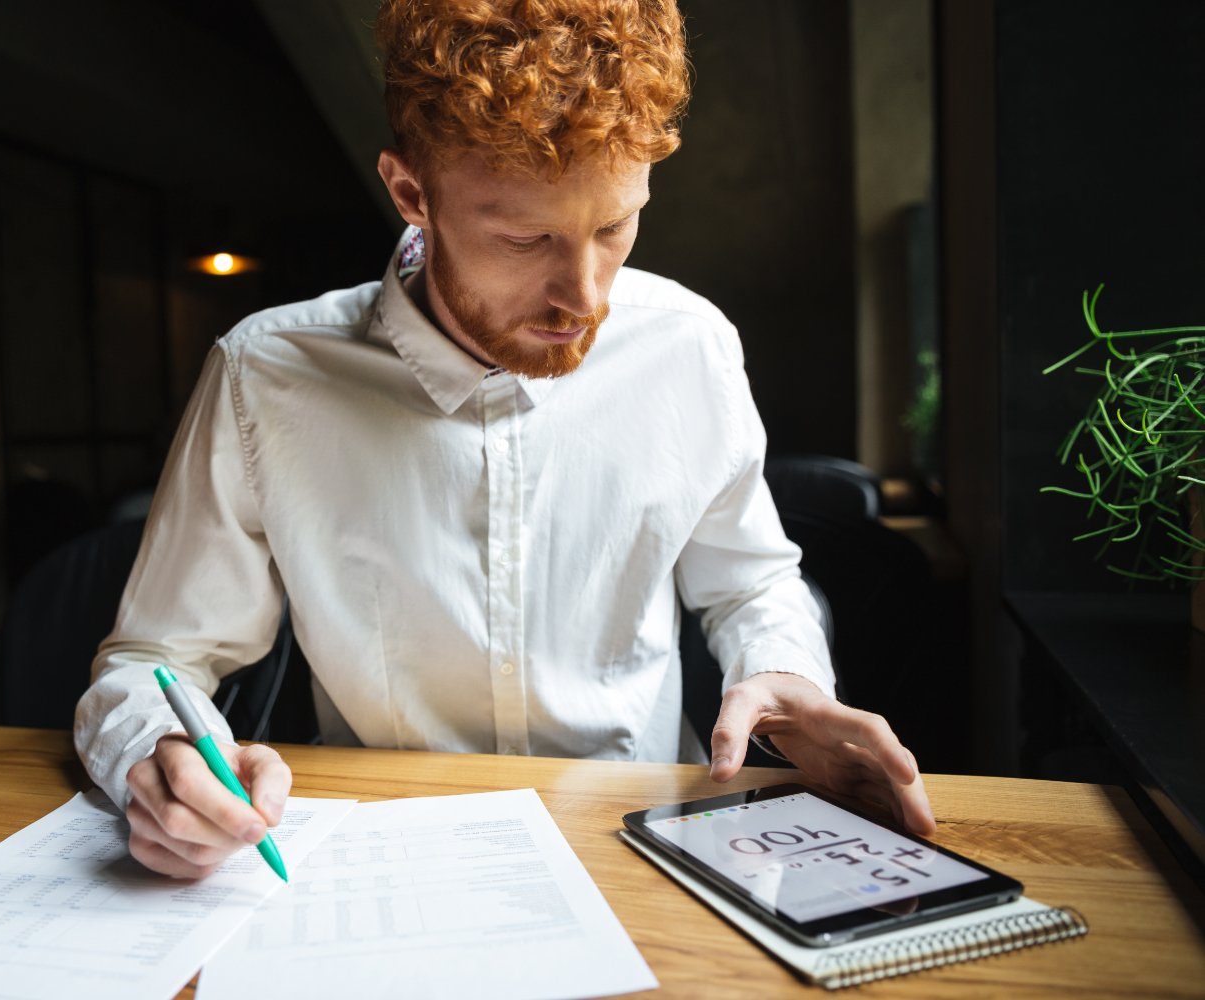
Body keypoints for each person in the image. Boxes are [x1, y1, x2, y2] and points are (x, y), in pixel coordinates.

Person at [75, 0, 934, 879]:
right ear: (411, 194)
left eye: (614, 227)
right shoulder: (265, 374)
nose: (587, 296)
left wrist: (786, 669)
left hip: (641, 847)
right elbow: (155, 660)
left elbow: (751, 580)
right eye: (527, 238)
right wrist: (162, 761)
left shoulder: (690, 344)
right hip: (388, 858)